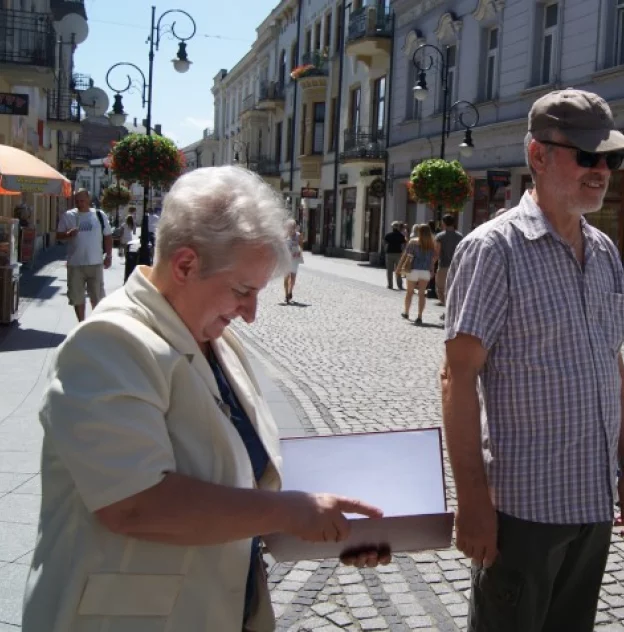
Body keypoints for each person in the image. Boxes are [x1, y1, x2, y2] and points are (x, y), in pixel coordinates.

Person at [23, 166, 388, 632]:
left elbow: (244, 480)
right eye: (242, 291)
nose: (252, 315)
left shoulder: (214, 338)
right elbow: (134, 504)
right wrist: (289, 511)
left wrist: (337, 529)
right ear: (185, 265)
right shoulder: (109, 341)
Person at [441, 88, 624, 632]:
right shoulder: (494, 249)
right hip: (521, 512)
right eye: (586, 155)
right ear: (538, 155)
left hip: (591, 503)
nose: (602, 169)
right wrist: (471, 502)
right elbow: (457, 379)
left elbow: (614, 365)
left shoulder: (604, 252)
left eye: (611, 158)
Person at [55, 188, 112, 322]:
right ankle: (81, 323)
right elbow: (58, 235)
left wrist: (108, 256)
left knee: (97, 297)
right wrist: (67, 235)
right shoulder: (68, 215)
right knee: (77, 297)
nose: (80, 203)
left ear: (88, 200)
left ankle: (95, 323)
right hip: (75, 264)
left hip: (95, 263)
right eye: (77, 201)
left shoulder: (99, 215)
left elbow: (108, 236)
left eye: (83, 200)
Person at [398, 223, 436, 324]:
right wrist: (432, 270)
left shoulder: (413, 242)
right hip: (425, 271)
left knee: (409, 293)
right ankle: (419, 316)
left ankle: (406, 312)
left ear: (419, 232)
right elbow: (433, 259)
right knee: (421, 294)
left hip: (413, 270)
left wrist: (399, 267)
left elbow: (405, 256)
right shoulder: (432, 244)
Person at [434, 214, 463, 306]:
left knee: (440, 289)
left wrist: (431, 265)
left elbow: (437, 253)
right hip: (456, 266)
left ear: (443, 223)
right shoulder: (460, 236)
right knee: (452, 289)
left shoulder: (440, 236)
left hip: (443, 265)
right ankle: (449, 309)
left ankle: (446, 308)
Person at [383, 221, 407, 290]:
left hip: (389, 253)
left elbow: (384, 243)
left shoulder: (388, 235)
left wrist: (385, 249)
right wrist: (403, 251)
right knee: (398, 270)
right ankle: (399, 285)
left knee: (389, 270)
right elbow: (404, 244)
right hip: (398, 254)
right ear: (398, 228)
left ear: (392, 227)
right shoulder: (401, 236)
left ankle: (390, 285)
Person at [284, 219, 303, 303]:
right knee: (286, 278)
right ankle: (286, 295)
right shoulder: (284, 236)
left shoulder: (298, 235)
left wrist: (299, 252)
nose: (291, 228)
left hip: (294, 259)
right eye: (290, 227)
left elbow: (301, 246)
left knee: (293, 278)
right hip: (286, 259)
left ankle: (290, 291)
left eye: (293, 227)